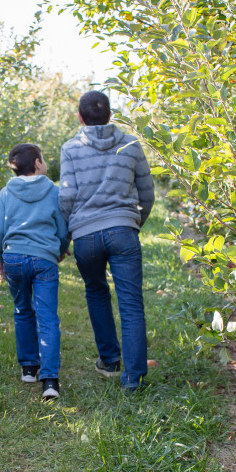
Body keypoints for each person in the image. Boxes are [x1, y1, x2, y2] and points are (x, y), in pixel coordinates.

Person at [59, 91, 155, 392]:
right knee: (131, 303)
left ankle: (110, 361)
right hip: (123, 231)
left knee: (96, 292)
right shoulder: (130, 145)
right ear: (111, 115)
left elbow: (66, 196)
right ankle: (134, 379)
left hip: (86, 235)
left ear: (80, 116)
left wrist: (67, 234)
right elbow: (147, 193)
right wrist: (133, 222)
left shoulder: (70, 148)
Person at [0, 143, 70, 400]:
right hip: (43, 260)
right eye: (43, 158)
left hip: (13, 257)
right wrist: (59, 250)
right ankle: (50, 381)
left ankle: (28, 368)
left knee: (23, 310)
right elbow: (62, 227)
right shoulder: (54, 192)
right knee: (47, 318)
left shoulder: (5, 193)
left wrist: (1, 257)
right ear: (37, 163)